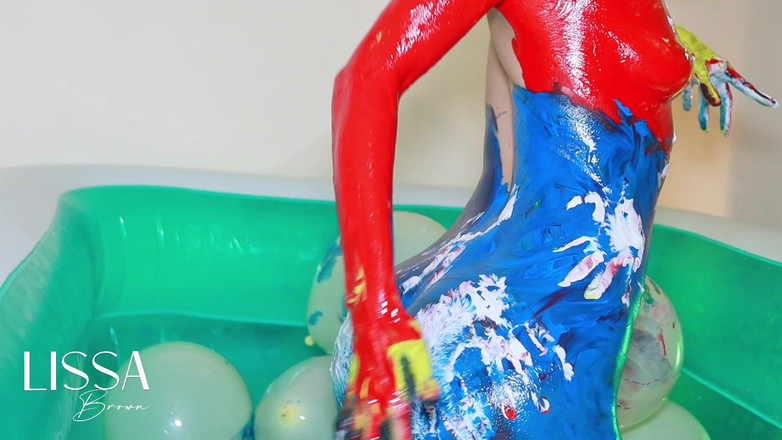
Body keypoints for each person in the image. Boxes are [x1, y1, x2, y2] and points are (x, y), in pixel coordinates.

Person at [330, 1, 777, 439]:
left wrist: (682, 53)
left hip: (517, 331)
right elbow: (364, 79)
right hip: (514, 357)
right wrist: (375, 315)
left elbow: (596, 38)